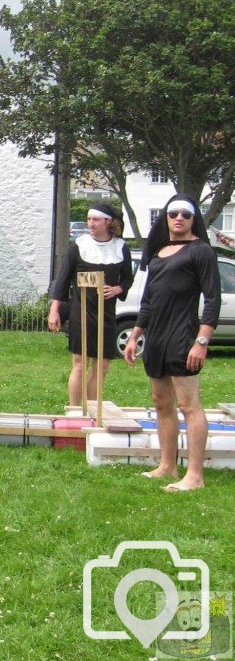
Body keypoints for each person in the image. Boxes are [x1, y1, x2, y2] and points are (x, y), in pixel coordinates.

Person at [123, 194, 220, 492]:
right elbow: (149, 301)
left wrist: (201, 341)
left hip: (183, 335)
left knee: (189, 405)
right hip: (157, 338)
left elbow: (212, 298)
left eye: (186, 214)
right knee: (161, 403)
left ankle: (195, 476)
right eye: (173, 213)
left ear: (194, 220)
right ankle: (167, 466)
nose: (179, 218)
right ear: (165, 217)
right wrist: (136, 336)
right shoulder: (158, 254)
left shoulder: (201, 251)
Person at [47, 204, 134, 406]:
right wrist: (54, 310)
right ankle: (76, 410)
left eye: (95, 220)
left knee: (102, 365)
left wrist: (118, 289)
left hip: (107, 313)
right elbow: (62, 280)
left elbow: (128, 279)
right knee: (80, 363)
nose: (90, 224)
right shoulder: (78, 245)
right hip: (82, 312)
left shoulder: (121, 248)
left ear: (108, 222)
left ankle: (93, 409)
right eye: (88, 219)